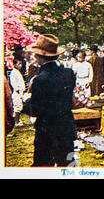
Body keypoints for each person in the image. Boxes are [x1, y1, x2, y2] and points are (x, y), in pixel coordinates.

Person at [23, 34, 77, 167]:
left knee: (42, 166)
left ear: (40, 57)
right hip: (65, 129)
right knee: (68, 165)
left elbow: (35, 110)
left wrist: (27, 101)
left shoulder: (39, 80)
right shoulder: (68, 74)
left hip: (46, 131)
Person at [9, 57, 27, 126]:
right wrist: (18, 90)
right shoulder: (13, 73)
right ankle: (16, 122)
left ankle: (18, 120)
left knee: (20, 106)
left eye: (21, 64)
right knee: (17, 107)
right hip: (17, 93)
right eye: (19, 64)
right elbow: (14, 83)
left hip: (20, 92)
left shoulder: (17, 72)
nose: (20, 66)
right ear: (14, 64)